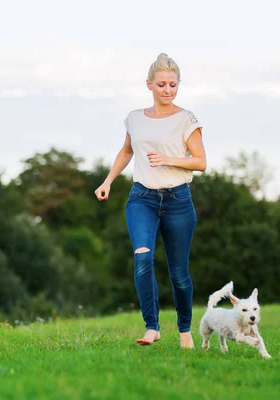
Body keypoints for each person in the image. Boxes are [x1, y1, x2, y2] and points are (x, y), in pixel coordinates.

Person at [94, 53, 207, 348]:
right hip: (141, 198)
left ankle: (184, 331)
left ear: (178, 85)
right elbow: (127, 151)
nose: (167, 90)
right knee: (142, 258)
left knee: (179, 274)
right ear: (149, 85)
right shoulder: (135, 119)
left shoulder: (186, 120)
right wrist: (108, 181)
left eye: (172, 84)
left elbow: (201, 162)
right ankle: (152, 327)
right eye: (161, 84)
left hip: (178, 201)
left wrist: (168, 159)